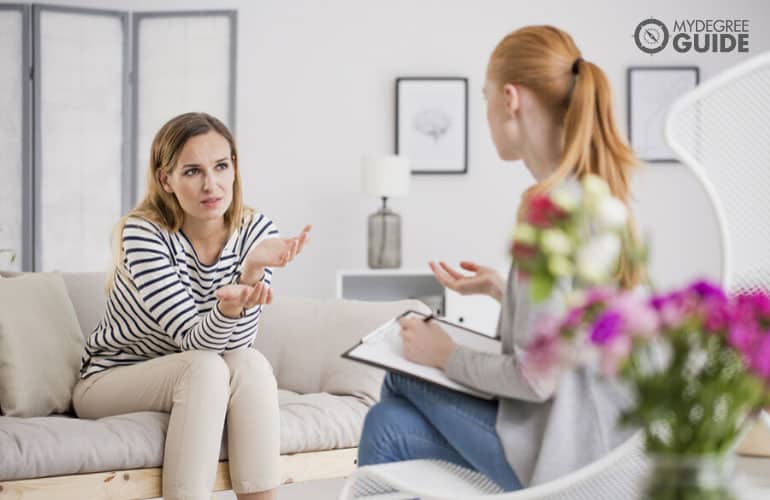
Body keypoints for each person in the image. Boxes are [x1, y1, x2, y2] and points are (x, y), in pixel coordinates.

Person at [357, 25, 643, 491]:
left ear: (510, 99)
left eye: (485, 96)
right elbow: (571, 331)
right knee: (385, 424)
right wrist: (501, 287)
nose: (486, 111)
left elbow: (536, 378)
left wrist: (445, 355)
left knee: (399, 376)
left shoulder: (548, 211)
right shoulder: (594, 195)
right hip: (604, 446)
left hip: (565, 456)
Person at [73, 112, 311, 500]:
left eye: (221, 166)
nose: (211, 184)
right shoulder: (145, 233)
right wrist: (229, 308)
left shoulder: (256, 231)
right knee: (204, 367)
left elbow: (238, 348)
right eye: (192, 171)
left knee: (251, 365)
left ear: (234, 167)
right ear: (166, 179)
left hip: (199, 372)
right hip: (113, 378)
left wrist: (251, 271)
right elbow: (193, 343)